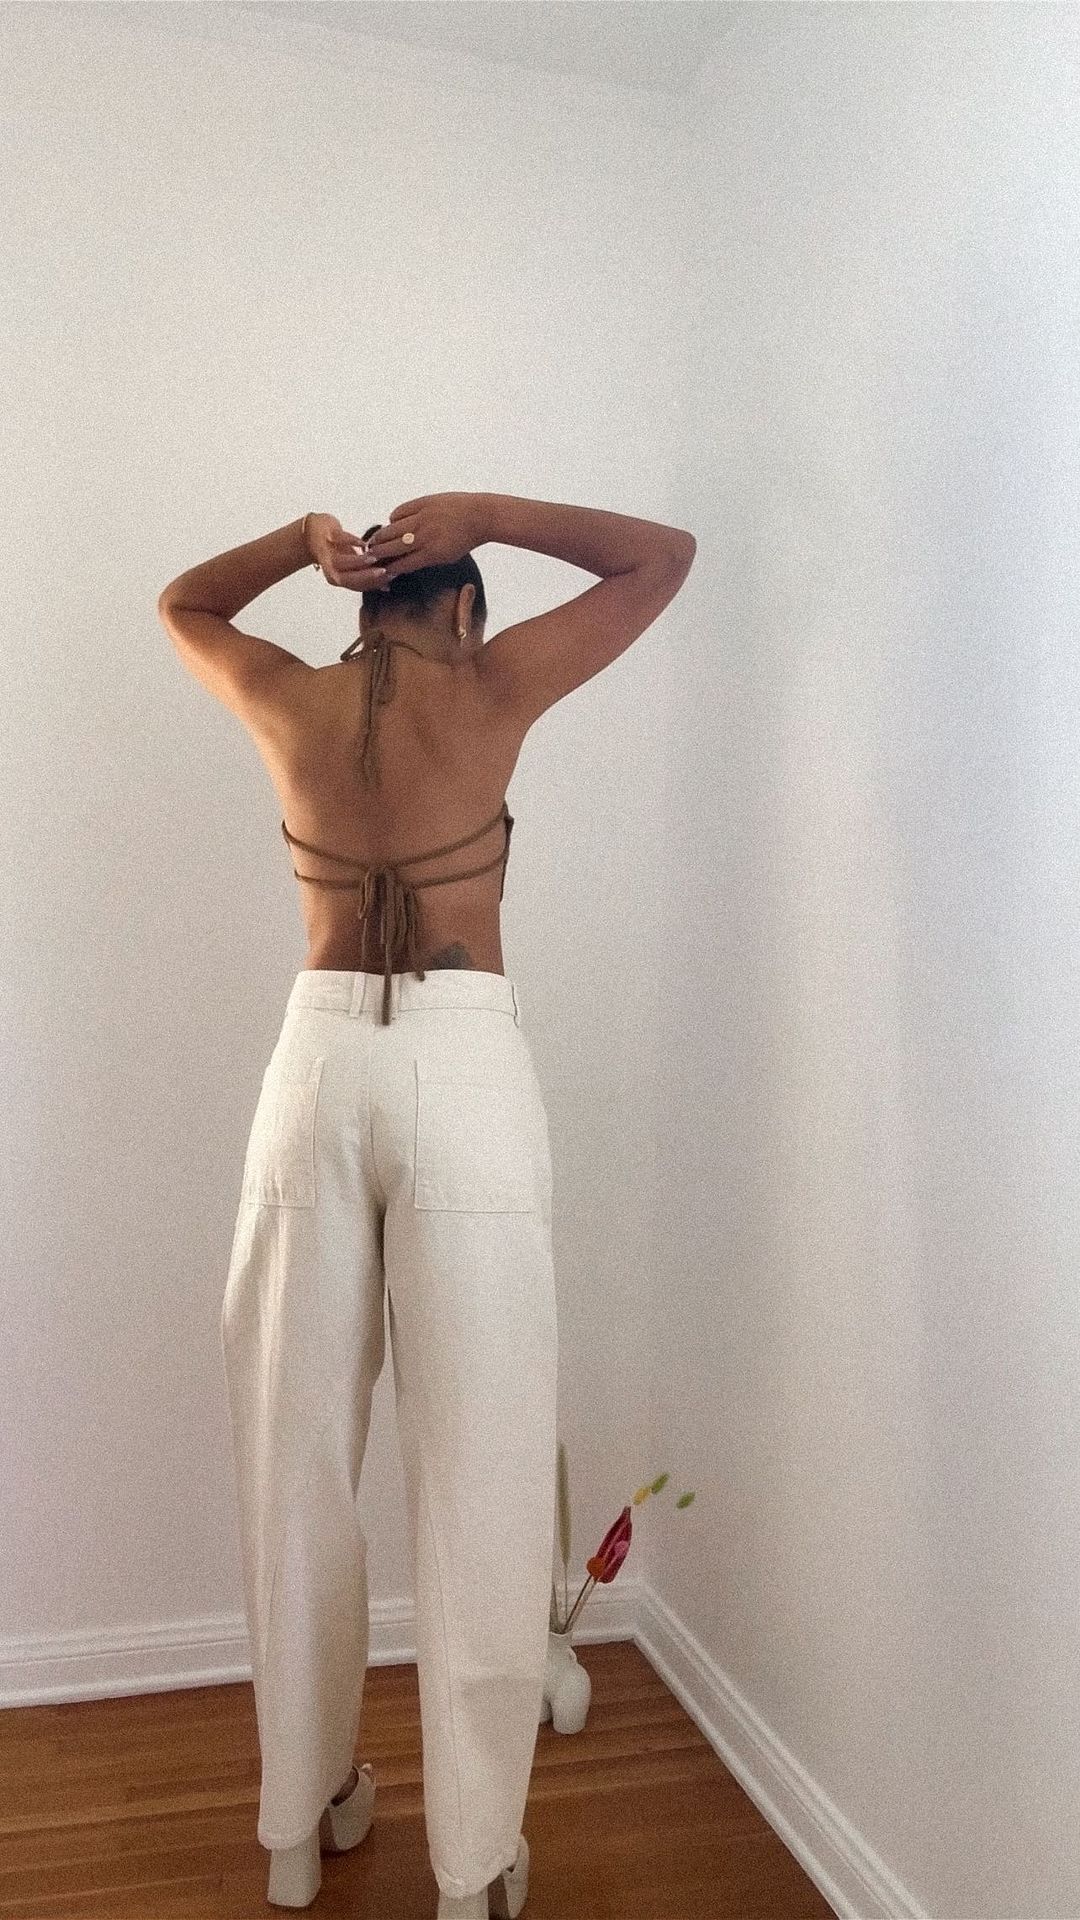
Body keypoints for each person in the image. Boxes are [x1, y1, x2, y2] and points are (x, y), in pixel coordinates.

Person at [207, 492, 695, 1917]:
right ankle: (472, 1866)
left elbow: (182, 607)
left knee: (293, 1456)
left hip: (311, 1072)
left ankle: (298, 1826)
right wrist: (484, 511)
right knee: (482, 1468)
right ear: (463, 606)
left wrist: (298, 542)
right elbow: (662, 558)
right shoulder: (492, 683)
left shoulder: (286, 693)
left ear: (361, 605)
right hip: (462, 1070)